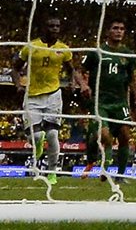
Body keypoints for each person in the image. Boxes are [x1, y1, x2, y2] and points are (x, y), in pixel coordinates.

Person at [13, 14, 89, 185]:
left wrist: (79, 84)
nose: (55, 29)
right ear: (44, 28)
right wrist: (18, 85)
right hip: (32, 96)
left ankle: (52, 172)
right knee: (36, 136)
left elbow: (71, 69)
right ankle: (38, 145)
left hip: (53, 95)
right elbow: (15, 68)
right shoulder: (31, 47)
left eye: (57, 26)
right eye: (51, 26)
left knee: (53, 134)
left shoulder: (64, 49)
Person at [80, 17, 136, 182]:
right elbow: (80, 71)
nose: (119, 31)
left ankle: (120, 176)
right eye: (115, 28)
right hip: (100, 102)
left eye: (121, 29)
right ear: (108, 31)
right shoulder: (97, 52)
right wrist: (83, 85)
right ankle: (103, 162)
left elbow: (132, 77)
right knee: (105, 135)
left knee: (125, 136)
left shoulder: (128, 54)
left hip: (120, 102)